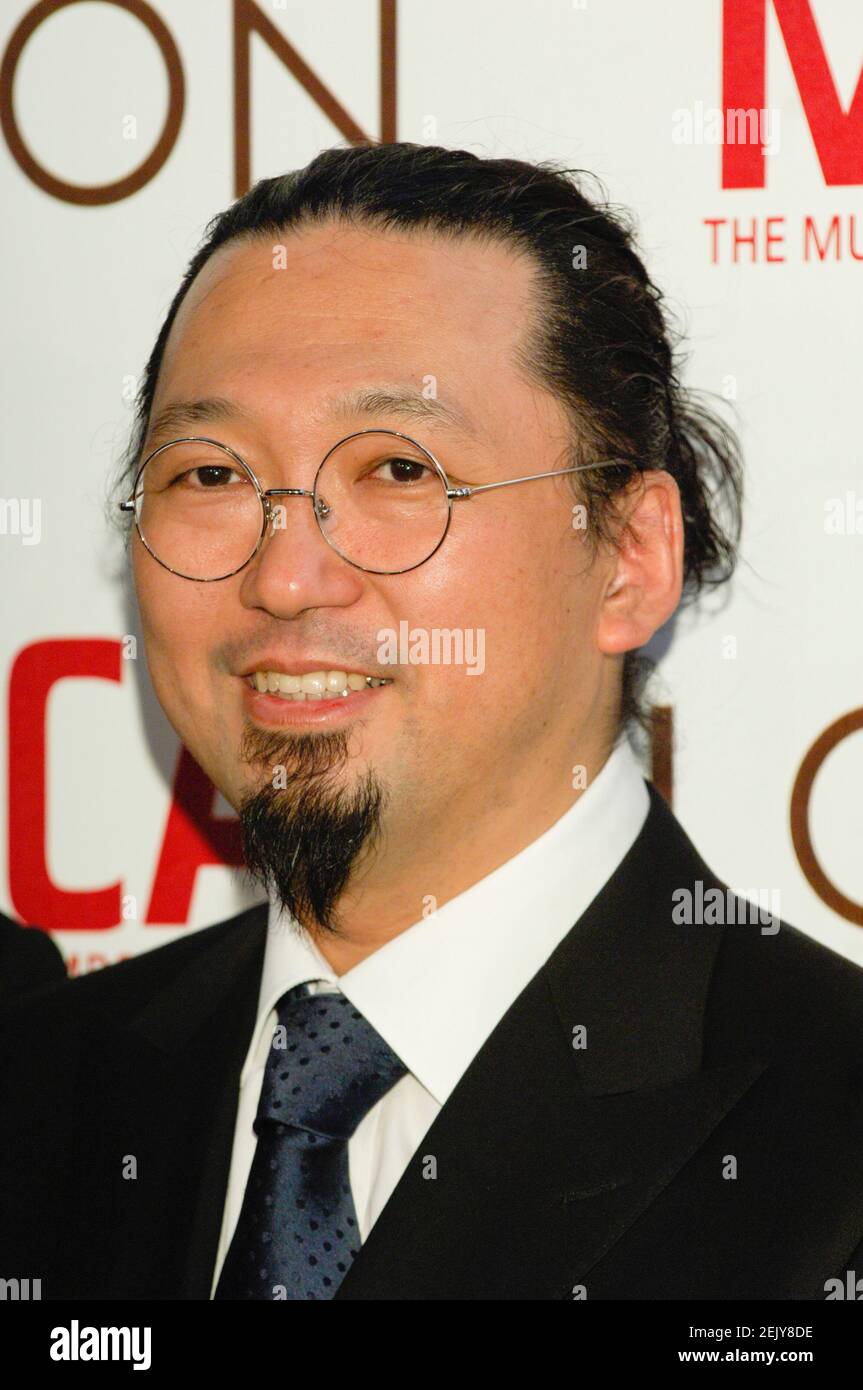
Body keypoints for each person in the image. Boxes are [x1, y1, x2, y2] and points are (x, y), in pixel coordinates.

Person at [2, 143, 861, 1301]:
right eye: (208, 475)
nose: (286, 576)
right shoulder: (41, 1084)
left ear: (626, 558)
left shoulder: (829, 1144)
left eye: (399, 469)